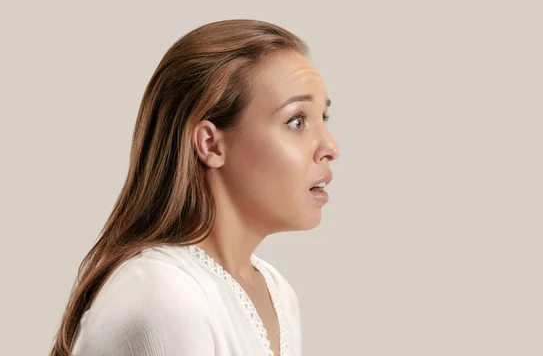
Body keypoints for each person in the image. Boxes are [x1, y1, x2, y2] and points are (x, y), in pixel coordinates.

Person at [48, 19, 340, 356]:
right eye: (297, 121)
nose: (331, 147)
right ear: (211, 145)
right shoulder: (162, 297)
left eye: (324, 119)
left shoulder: (277, 293)